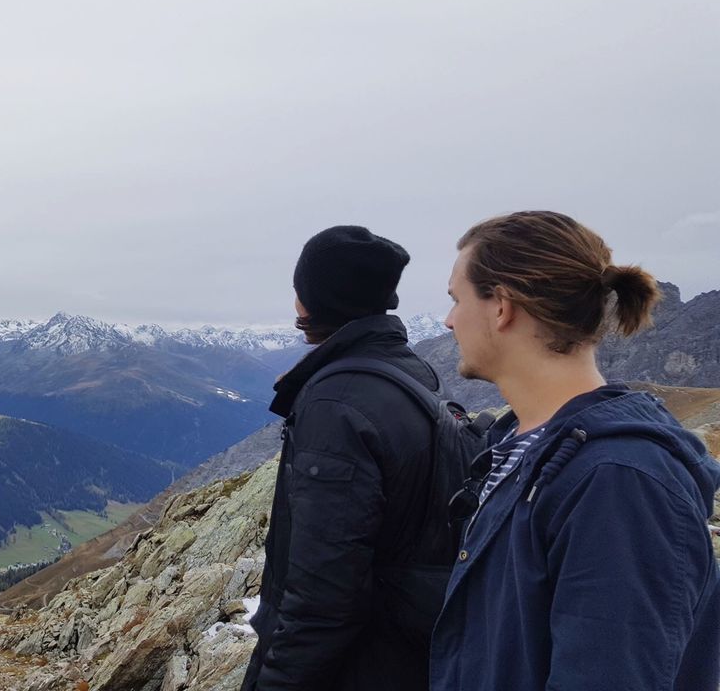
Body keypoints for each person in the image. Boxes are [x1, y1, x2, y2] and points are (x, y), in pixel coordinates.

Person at [431, 210, 720, 690]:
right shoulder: (519, 446)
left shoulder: (619, 479)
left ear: (501, 306)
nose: (448, 320)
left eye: (456, 299)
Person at [243, 225, 471, 691]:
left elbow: (323, 596)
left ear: (316, 299)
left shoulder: (336, 403)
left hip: (359, 664)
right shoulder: (411, 371)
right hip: (406, 650)